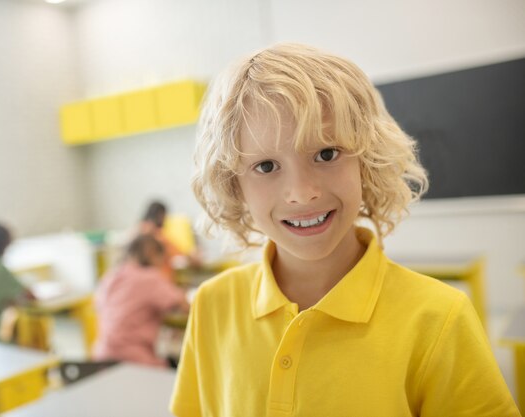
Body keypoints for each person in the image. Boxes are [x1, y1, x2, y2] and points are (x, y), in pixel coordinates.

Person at [170, 44, 520, 416]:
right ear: (233, 184)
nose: (302, 193)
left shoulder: (438, 319)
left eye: (326, 154)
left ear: (366, 160)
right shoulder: (211, 305)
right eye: (267, 166)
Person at [92, 234, 189, 367]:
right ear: (152, 253)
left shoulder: (111, 276)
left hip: (102, 357)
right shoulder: (149, 278)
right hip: (135, 360)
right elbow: (184, 307)